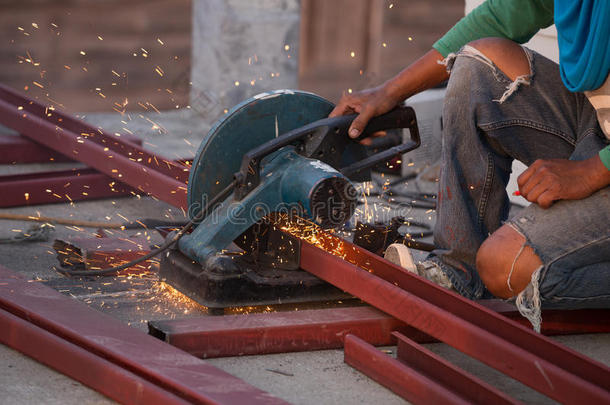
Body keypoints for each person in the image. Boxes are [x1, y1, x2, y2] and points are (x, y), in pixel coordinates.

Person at [330, 0, 610, 331]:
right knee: (478, 61)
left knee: (505, 267)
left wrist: (593, 171)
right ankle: (456, 271)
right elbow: (504, 14)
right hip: (599, 129)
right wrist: (389, 92)